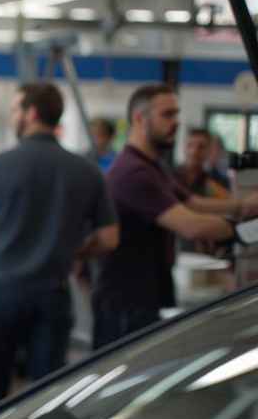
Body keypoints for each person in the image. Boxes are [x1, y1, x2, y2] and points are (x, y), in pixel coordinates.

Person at [0, 82, 119, 412]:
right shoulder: (85, 170)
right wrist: (75, 249)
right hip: (52, 294)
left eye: (15, 110)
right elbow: (109, 238)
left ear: (30, 113)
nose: (12, 117)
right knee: (47, 399)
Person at [92, 84, 258, 350]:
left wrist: (243, 205)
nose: (176, 122)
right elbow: (191, 226)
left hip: (146, 294)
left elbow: (193, 203)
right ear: (139, 119)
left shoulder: (152, 165)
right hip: (125, 302)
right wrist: (247, 230)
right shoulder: (134, 173)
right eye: (167, 114)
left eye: (177, 114)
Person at [176, 128, 229, 199]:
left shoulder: (215, 182)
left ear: (209, 151)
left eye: (201, 147)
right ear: (184, 148)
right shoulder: (169, 176)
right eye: (190, 145)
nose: (194, 151)